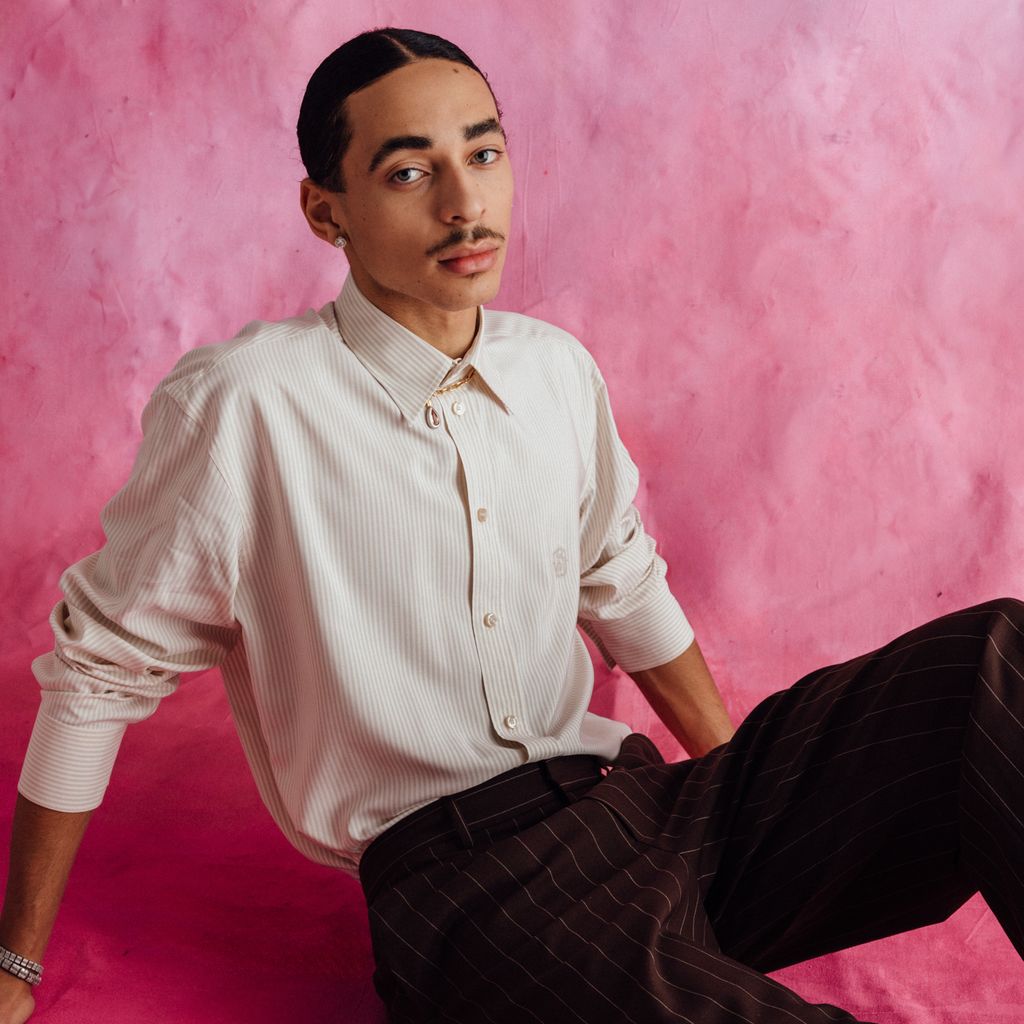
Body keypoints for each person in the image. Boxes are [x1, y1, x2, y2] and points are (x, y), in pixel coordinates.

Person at [1, 26, 1021, 1024]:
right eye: (409, 173)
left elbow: (618, 576)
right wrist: (16, 958)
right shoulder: (244, 403)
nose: (464, 203)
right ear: (325, 210)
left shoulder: (553, 369)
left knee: (996, 659)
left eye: (483, 154)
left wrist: (745, 793)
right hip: (473, 897)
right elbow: (98, 673)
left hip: (643, 811)